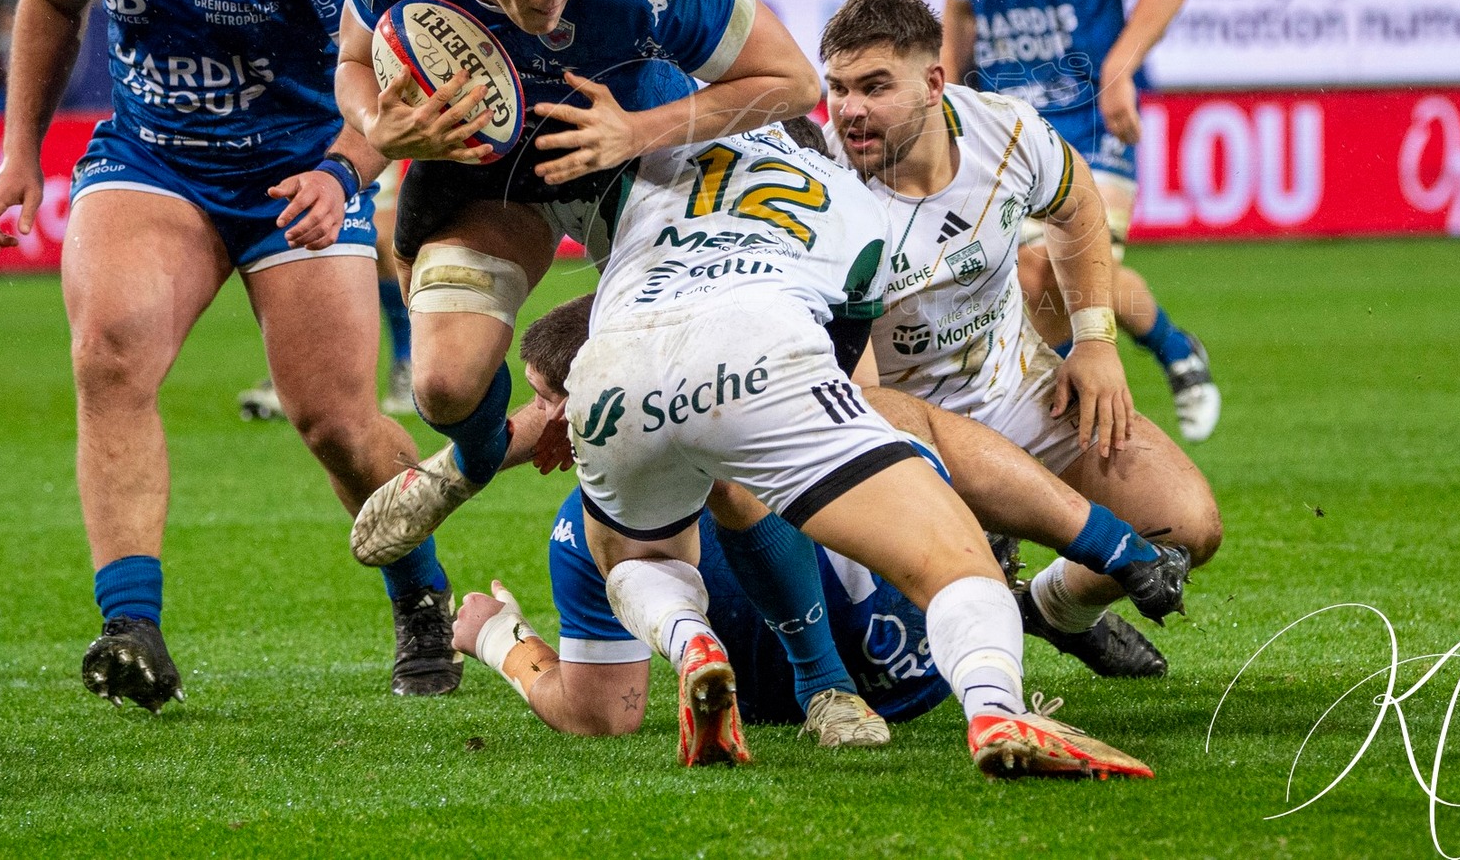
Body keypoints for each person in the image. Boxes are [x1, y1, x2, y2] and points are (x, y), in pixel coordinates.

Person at [0, 0, 462, 710]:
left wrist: (340, 173)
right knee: (107, 351)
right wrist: (17, 149)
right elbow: (49, 6)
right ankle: (130, 627)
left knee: (335, 422)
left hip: (295, 171)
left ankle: (420, 597)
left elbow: (386, 82)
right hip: (153, 161)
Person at [494, 120, 1152, 777]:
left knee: (627, 545)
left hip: (620, 374)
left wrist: (497, 632)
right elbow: (847, 372)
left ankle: (691, 640)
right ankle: (991, 702)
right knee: (937, 528)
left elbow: (600, 711)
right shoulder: (844, 197)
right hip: (905, 669)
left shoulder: (658, 178)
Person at [339, 0, 822, 573]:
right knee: (440, 385)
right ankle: (474, 458)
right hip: (483, 171)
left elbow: (794, 81)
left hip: (636, 169)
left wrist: (633, 130)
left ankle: (815, 677)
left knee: (699, 417)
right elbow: (351, 58)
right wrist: (378, 123)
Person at [458, 277, 1183, 743]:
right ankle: (1076, 570)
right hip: (924, 667)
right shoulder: (782, 393)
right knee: (886, 419)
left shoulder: (582, 525)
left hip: (798, 692)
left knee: (654, 526)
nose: (542, 420)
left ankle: (718, 652)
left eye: (549, 402)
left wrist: (502, 639)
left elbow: (602, 714)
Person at [820, 0, 1224, 676]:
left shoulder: (1005, 130)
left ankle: (1050, 608)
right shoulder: (824, 189)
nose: (849, 109)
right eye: (836, 88)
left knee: (1188, 523)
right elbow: (859, 401)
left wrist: (1094, 342)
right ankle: (986, 568)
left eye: (874, 86)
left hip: (1016, 387)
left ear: (934, 84)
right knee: (897, 650)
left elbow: (1077, 202)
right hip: (900, 423)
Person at [937, 0, 1223, 441]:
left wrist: (1120, 69)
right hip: (1007, 127)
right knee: (1025, 285)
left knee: (1063, 267)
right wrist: (943, 106)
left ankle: (1164, 359)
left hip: (1094, 119)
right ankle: (1148, 370)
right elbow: (959, 20)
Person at [238, 0, 407, 421]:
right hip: (283, 84)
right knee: (290, 226)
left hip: (364, 76)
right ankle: (296, 375)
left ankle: (407, 356)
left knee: (385, 235)